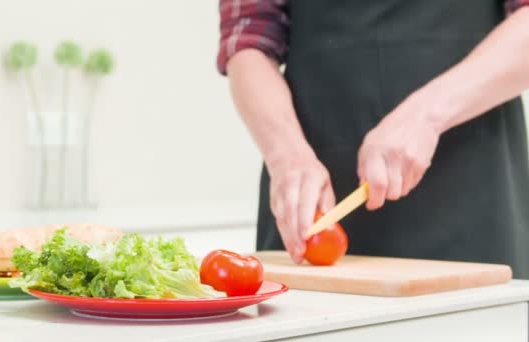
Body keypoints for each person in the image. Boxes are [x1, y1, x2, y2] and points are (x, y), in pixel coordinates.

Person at [217, 0, 529, 278]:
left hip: (473, 184)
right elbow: (247, 41)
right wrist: (286, 156)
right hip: (315, 200)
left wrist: (426, 115)